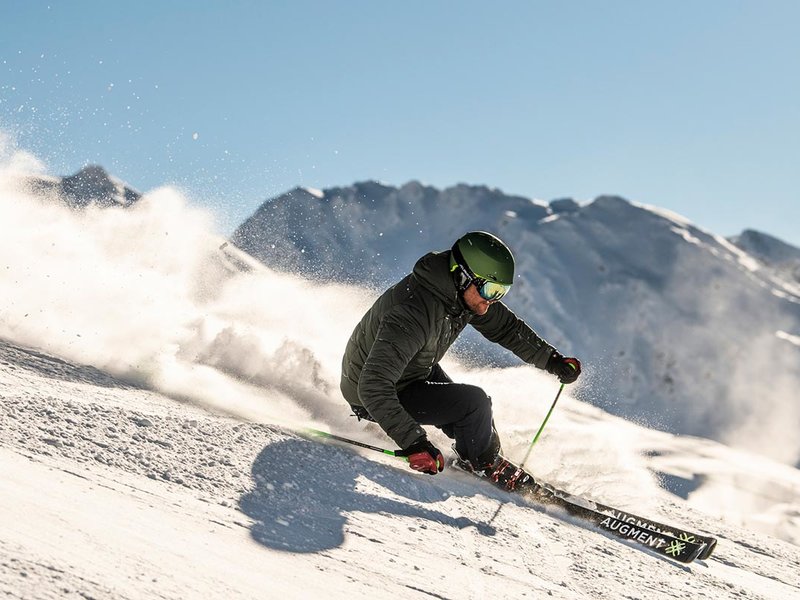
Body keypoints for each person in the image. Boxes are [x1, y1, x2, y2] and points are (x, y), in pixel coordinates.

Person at [340, 231, 581, 476]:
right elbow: (373, 385)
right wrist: (415, 443)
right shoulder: (412, 314)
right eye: (490, 290)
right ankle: (484, 465)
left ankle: (484, 457)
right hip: (372, 393)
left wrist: (552, 360)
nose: (492, 300)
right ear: (463, 276)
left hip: (412, 369)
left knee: (477, 419)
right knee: (474, 404)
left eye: (501, 292)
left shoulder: (460, 297)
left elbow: (506, 328)